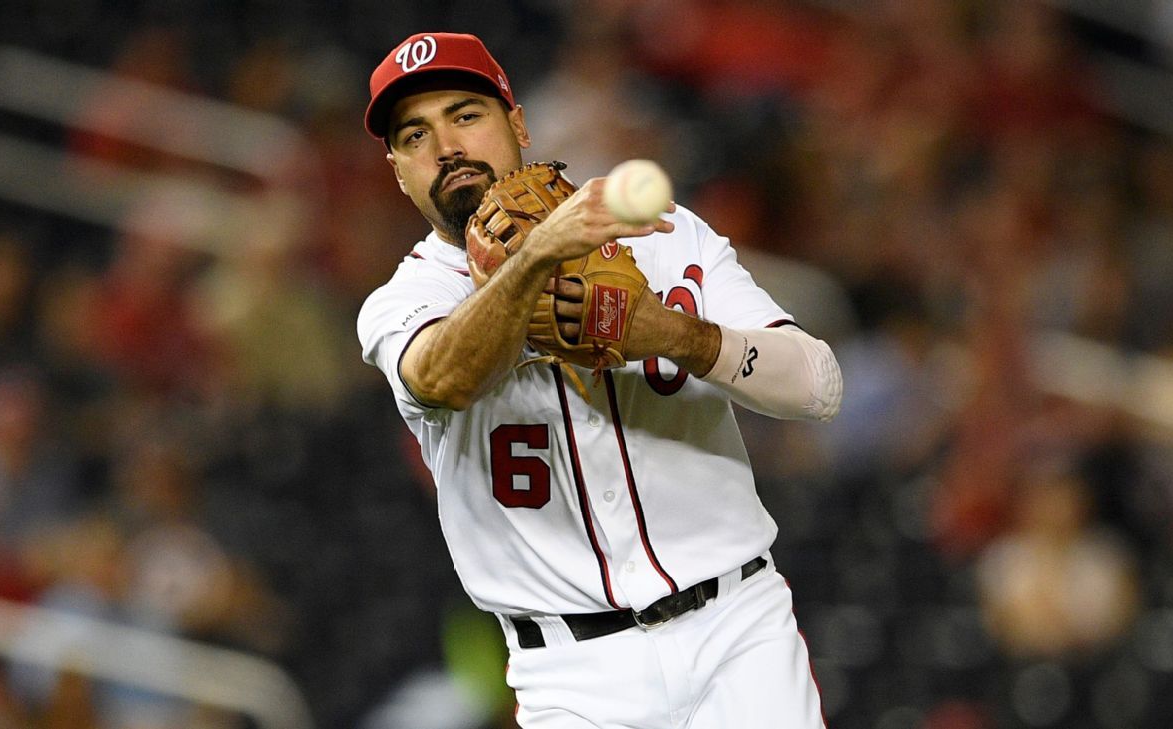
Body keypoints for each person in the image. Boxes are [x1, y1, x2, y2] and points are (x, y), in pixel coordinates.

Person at [356, 32, 843, 729]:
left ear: (517, 123)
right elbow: (441, 379)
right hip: (575, 676)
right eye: (415, 134)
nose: (446, 145)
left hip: (739, 631)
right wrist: (536, 259)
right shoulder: (405, 301)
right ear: (398, 169)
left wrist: (673, 335)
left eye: (466, 114)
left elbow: (819, 385)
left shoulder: (667, 238)